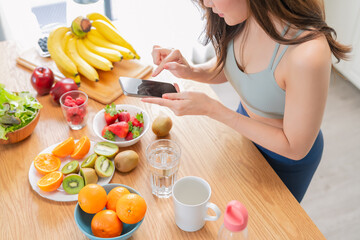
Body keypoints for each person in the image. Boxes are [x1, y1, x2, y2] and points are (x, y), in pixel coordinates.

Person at [141, 0, 351, 202]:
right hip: (244, 135)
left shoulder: (308, 54)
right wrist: (192, 70)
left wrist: (213, 109)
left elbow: (295, 148)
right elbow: (237, 67)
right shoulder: (243, 16)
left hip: (283, 161)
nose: (206, 4)